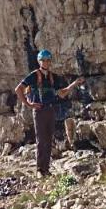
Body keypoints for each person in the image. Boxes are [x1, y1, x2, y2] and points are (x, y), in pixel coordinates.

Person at [15, 49, 85, 177]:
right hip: (39, 110)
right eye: (43, 60)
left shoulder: (53, 77)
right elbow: (18, 89)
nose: (46, 63)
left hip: (51, 110)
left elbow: (62, 93)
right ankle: (40, 170)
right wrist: (28, 104)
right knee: (41, 140)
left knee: (48, 139)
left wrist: (74, 84)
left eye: (48, 60)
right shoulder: (34, 75)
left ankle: (46, 169)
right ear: (39, 61)